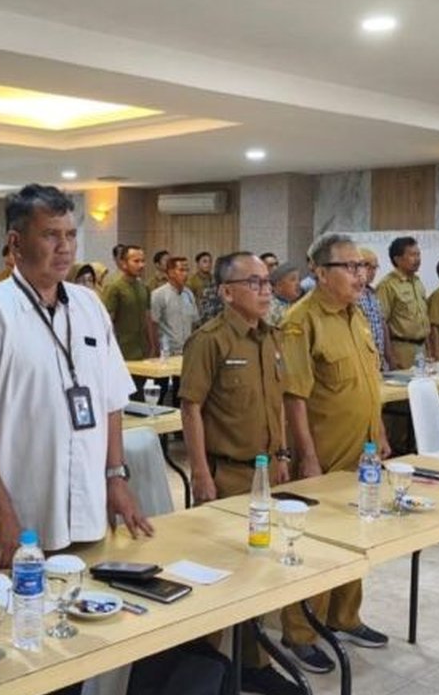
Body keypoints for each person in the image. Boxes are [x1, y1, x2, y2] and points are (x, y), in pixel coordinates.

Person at [0, 183, 152, 569]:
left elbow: (111, 400)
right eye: (50, 235)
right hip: (12, 521)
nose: (65, 247)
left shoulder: (89, 306)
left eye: (70, 235)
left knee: (78, 614)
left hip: (85, 509)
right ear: (16, 243)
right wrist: (3, 513)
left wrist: (115, 477)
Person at [180, 251, 306, 694]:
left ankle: (253, 661)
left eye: (268, 282)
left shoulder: (271, 338)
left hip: (268, 472)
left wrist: (286, 454)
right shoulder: (210, 340)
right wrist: (199, 472)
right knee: (218, 574)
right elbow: (191, 407)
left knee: (258, 570)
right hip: (226, 474)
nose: (265, 289)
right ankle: (201, 663)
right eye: (254, 283)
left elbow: (277, 406)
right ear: (226, 291)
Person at [280, 233, 390, 668]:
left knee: (358, 535)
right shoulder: (300, 321)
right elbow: (294, 396)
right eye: (349, 266)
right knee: (317, 542)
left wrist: (379, 432)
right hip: (323, 454)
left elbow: (368, 382)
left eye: (362, 266)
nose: (360, 274)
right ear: (321, 273)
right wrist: (306, 456)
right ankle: (301, 631)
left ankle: (345, 617)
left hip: (361, 451)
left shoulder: (357, 314)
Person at [375, 236, 430, 370]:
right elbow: (382, 323)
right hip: (401, 350)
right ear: (397, 259)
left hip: (422, 350)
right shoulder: (387, 285)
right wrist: (389, 357)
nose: (417, 259)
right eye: (412, 255)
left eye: (418, 254)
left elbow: (423, 319)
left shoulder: (417, 282)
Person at [151, 256, 198, 407]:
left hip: (186, 354)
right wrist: (155, 349)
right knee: (162, 392)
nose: (185, 273)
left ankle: (179, 430)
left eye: (187, 270)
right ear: (170, 272)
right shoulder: (159, 294)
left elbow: (195, 322)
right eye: (181, 270)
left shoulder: (189, 294)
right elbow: (153, 323)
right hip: (166, 354)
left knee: (183, 395)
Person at [102, 244, 155, 377]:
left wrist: (153, 345)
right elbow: (108, 322)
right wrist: (111, 351)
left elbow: (148, 317)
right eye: (136, 261)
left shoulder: (144, 287)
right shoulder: (115, 287)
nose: (141, 265)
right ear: (124, 263)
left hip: (143, 350)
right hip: (122, 351)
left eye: (143, 261)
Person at [356, 247, 392, 371]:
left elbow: (382, 324)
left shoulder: (373, 293)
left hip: (380, 361)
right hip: (361, 360)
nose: (373, 272)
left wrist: (389, 356)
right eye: (369, 267)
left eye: (375, 267)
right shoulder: (351, 295)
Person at [267, 263, 301, 327]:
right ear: (279, 285)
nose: (298, 283)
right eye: (293, 279)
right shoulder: (270, 308)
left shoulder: (296, 304)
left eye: (299, 279)